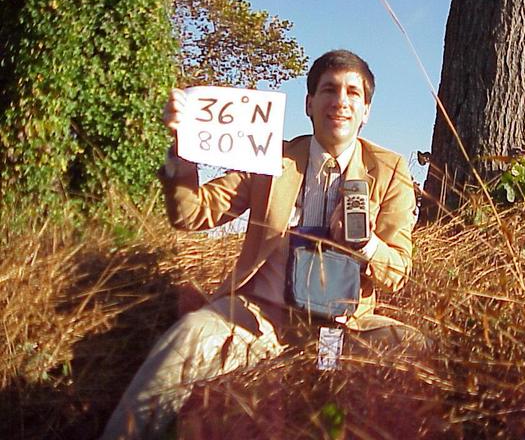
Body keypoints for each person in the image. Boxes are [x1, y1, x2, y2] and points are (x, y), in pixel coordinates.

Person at [101, 49, 420, 439]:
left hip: (339, 326)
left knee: (415, 348)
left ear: (366, 109)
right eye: (329, 90)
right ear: (309, 103)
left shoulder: (389, 171)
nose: (340, 101)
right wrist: (182, 149)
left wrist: (365, 243)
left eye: (353, 93)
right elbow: (192, 215)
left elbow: (398, 271)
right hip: (260, 317)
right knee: (187, 339)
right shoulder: (273, 157)